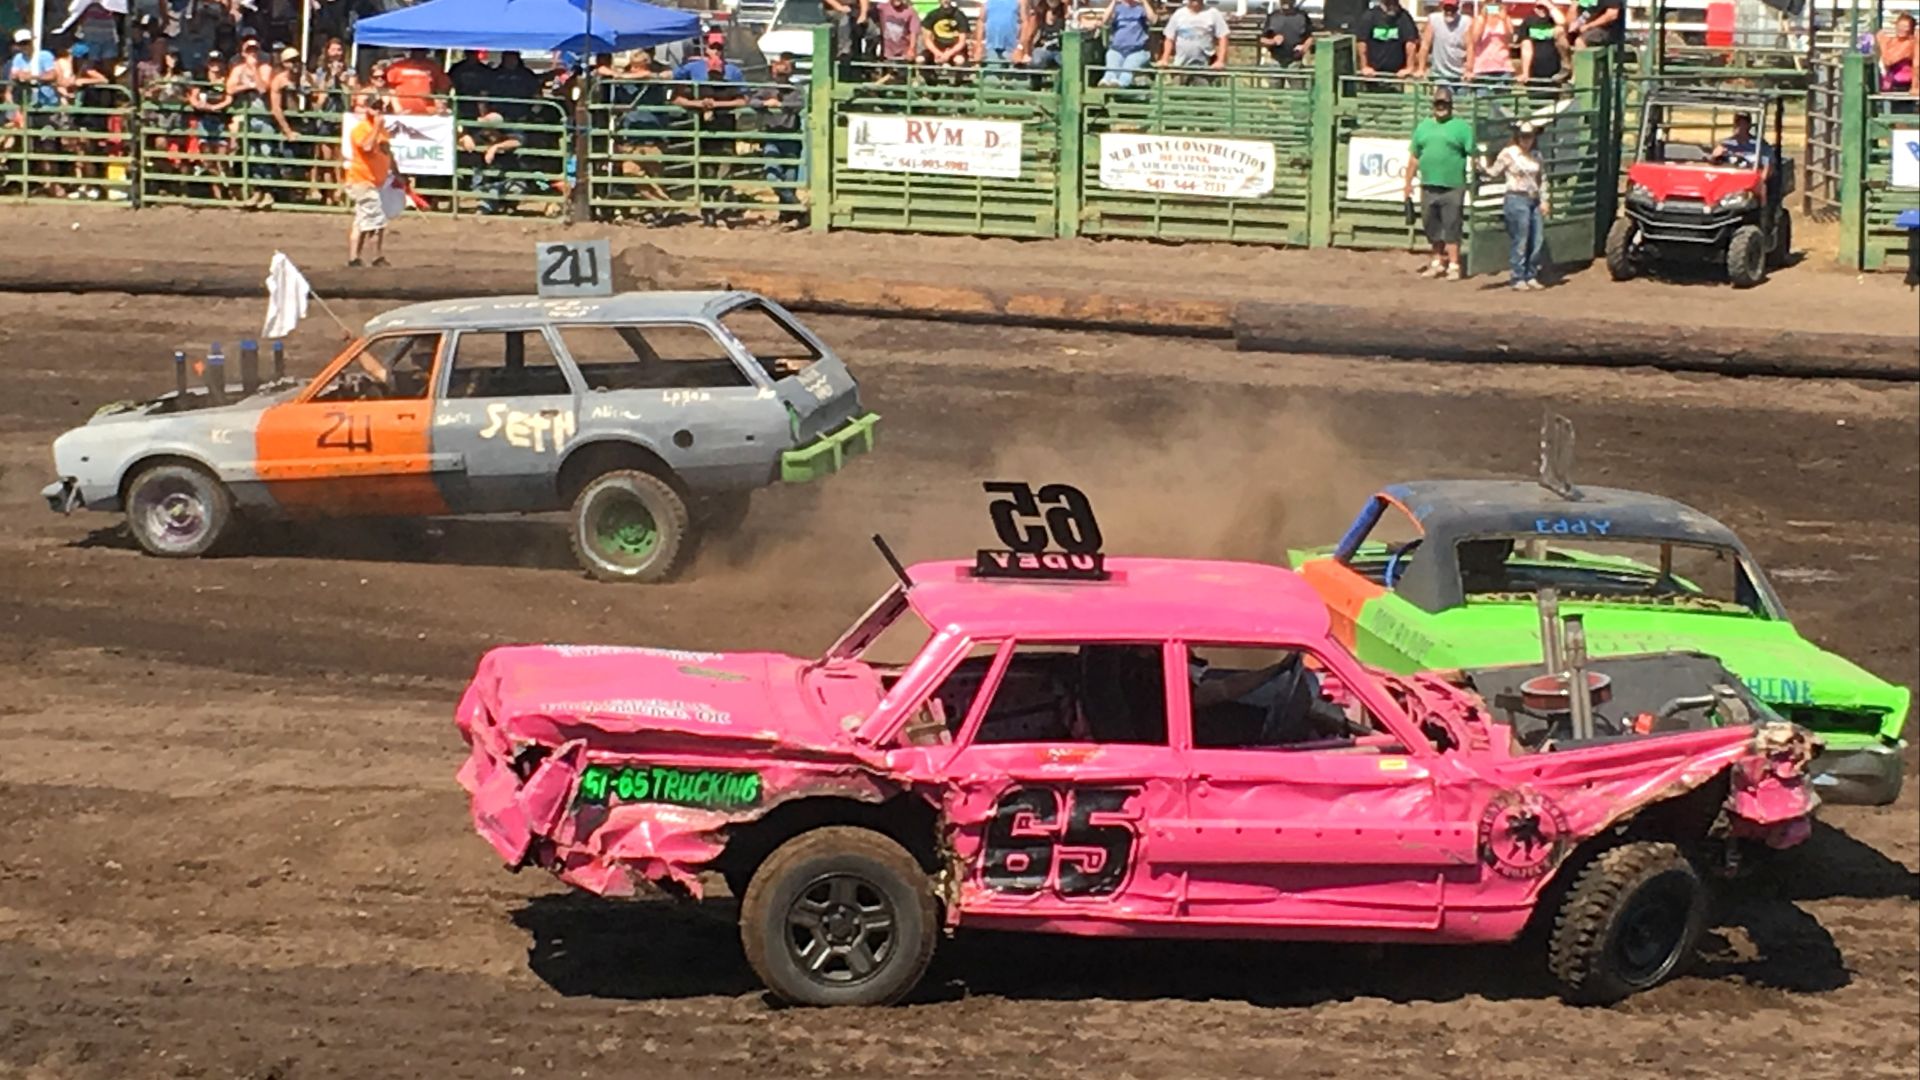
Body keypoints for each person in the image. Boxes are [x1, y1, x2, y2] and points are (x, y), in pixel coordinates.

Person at [671, 32, 748, 226]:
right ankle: (710, 210)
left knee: (724, 167)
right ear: (706, 48)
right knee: (706, 168)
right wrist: (698, 104)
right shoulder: (694, 68)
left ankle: (719, 205)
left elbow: (743, 98)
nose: (716, 52)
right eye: (713, 47)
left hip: (724, 126)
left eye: (719, 48)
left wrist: (717, 105)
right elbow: (675, 89)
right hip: (704, 127)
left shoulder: (732, 72)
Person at [1405, 85, 1474, 280]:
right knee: (1431, 225)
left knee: (1452, 225)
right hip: (1428, 184)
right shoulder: (1423, 127)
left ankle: (1454, 264)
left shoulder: (1461, 128)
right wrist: (1408, 183)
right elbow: (1414, 157)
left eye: (1444, 103)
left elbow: (1473, 152)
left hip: (1453, 185)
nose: (1441, 107)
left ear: (1451, 105)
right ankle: (1437, 262)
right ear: (1433, 105)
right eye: (1438, 103)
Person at [1483, 120, 1549, 289]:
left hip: (1533, 198)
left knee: (1537, 239)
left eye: (1530, 136)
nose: (1527, 140)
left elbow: (1542, 178)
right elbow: (1494, 172)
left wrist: (1544, 199)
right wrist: (1482, 168)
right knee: (1521, 238)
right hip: (1516, 197)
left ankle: (1531, 273)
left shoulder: (1536, 155)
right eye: (1524, 137)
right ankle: (1518, 276)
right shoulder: (1509, 154)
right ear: (1518, 137)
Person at [753, 51, 805, 226]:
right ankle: (797, 208)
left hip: (790, 138)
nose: (780, 77)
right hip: (772, 136)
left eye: (784, 74)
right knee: (772, 175)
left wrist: (781, 104)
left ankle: (788, 215)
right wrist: (764, 103)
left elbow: (800, 104)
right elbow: (752, 101)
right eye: (778, 73)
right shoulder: (767, 88)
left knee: (789, 179)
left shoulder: (795, 90)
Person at [343, 91, 393, 266]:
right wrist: (377, 127)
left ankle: (354, 257)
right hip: (362, 181)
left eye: (380, 107)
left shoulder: (383, 131)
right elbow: (366, 147)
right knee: (376, 219)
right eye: (375, 107)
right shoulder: (361, 129)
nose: (379, 111)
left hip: (372, 182)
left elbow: (387, 153)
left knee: (362, 220)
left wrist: (397, 174)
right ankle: (376, 257)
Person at [1159, 0, 1229, 72]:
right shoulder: (1178, 14)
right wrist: (1165, 59)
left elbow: (1223, 36)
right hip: (1181, 66)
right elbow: (1169, 38)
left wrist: (1220, 61)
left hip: (1205, 67)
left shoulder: (1213, 13)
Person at [1097, 0, 1155, 85]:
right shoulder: (1117, 8)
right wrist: (1114, 2)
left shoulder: (1141, 9)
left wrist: (1144, 2)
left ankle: (1120, 85)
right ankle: (1107, 82)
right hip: (1116, 50)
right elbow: (1104, 21)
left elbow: (1153, 20)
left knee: (1126, 72)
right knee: (1110, 72)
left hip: (1137, 51)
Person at [1356, 0, 1420, 79]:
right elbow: (1362, 42)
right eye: (1388, 3)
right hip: (1372, 74)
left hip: (1397, 75)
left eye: (1394, 2)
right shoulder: (1369, 16)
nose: (1392, 5)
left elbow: (1411, 42)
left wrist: (1409, 67)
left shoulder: (1404, 17)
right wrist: (1364, 66)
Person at [1516, 1, 1568, 88]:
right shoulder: (1528, 22)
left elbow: (1562, 21)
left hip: (1555, 71)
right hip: (1534, 69)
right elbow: (1526, 48)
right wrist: (1525, 72)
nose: (1542, 10)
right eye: (1539, 7)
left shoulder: (1554, 22)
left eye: (1544, 8)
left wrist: (1549, 6)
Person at [386, 47, 450, 114]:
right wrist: (397, 108)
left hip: (427, 112)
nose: (419, 52)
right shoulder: (397, 67)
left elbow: (443, 88)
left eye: (422, 50)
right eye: (417, 49)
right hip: (403, 112)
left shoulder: (433, 67)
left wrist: (441, 105)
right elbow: (391, 89)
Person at [1466, 0, 1514, 88]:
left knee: (1503, 96)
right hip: (1482, 67)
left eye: (1497, 2)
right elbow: (1474, 41)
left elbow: (1510, 40)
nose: (1493, 4)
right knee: (1482, 96)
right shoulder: (1479, 20)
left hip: (1502, 67)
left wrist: (1504, 20)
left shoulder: (1506, 19)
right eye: (1490, 2)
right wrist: (1484, 19)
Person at [1421, 0, 1469, 84]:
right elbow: (1425, 45)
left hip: (1460, 74)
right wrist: (1421, 68)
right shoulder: (1434, 19)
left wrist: (1469, 70)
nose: (1449, 12)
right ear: (1442, 7)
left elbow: (1470, 47)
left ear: (1458, 7)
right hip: (1440, 74)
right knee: (1443, 91)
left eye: (1453, 9)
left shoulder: (1466, 21)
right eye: (1447, 8)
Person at [872, 0, 922, 78]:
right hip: (887, 52)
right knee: (888, 77)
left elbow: (914, 32)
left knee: (904, 78)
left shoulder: (910, 12)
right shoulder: (882, 8)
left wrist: (911, 49)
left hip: (903, 53)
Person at [1259, 0, 1312, 70]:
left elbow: (1309, 37)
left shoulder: (1302, 16)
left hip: (1296, 63)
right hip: (1275, 62)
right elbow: (1262, 39)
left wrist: (1304, 48)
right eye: (1283, 1)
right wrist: (1273, 41)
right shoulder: (1273, 16)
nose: (1285, 2)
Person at [1017, 0, 1071, 69]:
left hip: (1061, 50)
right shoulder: (1039, 13)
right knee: (1037, 61)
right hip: (1044, 49)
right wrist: (1026, 53)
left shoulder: (1065, 12)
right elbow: (1029, 35)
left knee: (1068, 63)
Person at [921, 0, 971, 74]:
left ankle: (958, 79)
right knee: (920, 59)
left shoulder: (960, 15)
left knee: (959, 60)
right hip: (937, 48)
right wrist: (937, 53)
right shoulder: (933, 15)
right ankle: (929, 78)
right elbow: (927, 39)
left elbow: (962, 41)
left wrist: (948, 54)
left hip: (955, 50)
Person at [1878, 14, 1915, 97]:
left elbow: (1888, 61)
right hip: (1890, 83)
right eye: (1900, 26)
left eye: (1905, 26)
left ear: (1911, 29)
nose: (1902, 29)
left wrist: (1882, 43)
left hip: (1904, 84)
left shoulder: (1910, 43)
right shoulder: (1893, 41)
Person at [977, 0, 1024, 66]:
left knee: (1012, 71)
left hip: (1012, 49)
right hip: (990, 48)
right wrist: (979, 45)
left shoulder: (1020, 2)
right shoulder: (987, 2)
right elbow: (981, 21)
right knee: (991, 70)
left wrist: (1020, 47)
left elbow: (1025, 23)